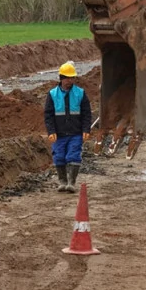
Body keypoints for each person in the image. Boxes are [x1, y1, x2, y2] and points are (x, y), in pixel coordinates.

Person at [44, 62, 92, 193]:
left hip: (75, 133)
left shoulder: (80, 93)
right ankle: (62, 182)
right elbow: (48, 115)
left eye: (72, 78)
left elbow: (87, 113)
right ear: (61, 78)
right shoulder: (53, 94)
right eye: (67, 78)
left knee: (73, 156)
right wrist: (51, 131)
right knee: (59, 157)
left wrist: (86, 129)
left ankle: (71, 182)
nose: (69, 81)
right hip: (59, 134)